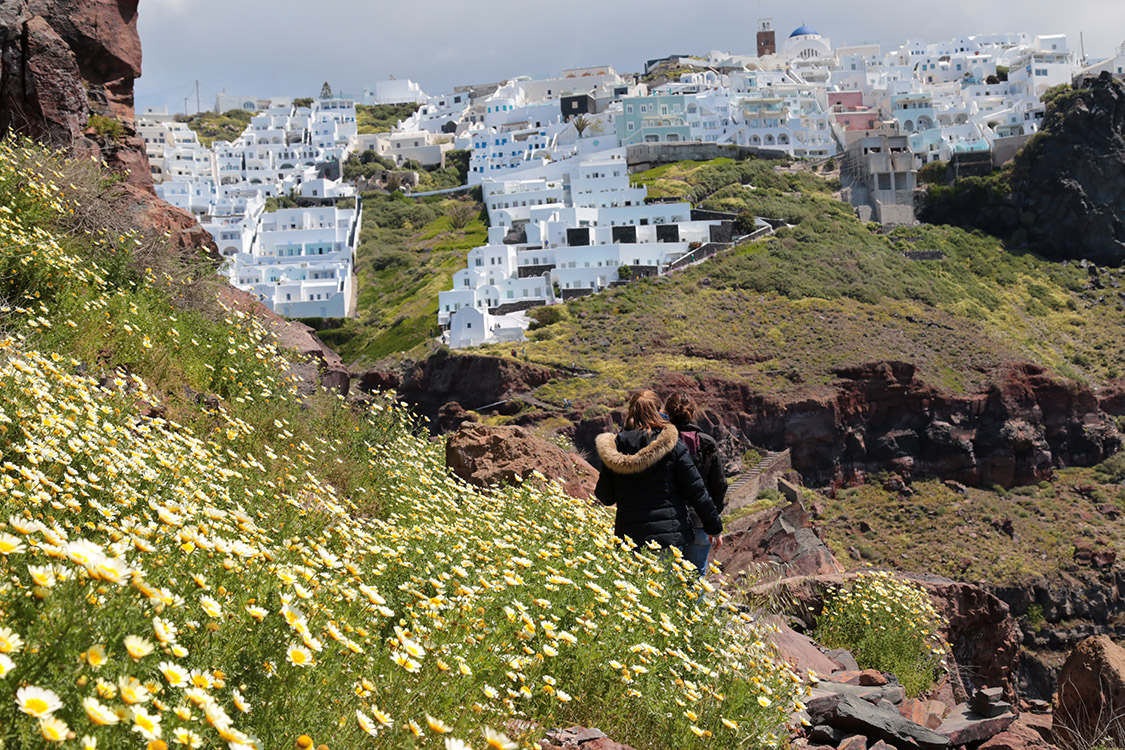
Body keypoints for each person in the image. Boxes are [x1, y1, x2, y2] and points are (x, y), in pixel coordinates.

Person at [594, 390, 723, 554]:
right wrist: (714, 528)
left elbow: (605, 496)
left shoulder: (616, 448)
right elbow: (697, 492)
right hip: (669, 538)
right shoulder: (672, 445)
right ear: (658, 412)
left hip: (630, 539)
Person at [665, 392, 728, 573]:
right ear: (693, 413)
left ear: (667, 413)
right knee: (694, 578)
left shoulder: (659, 441)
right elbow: (719, 485)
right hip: (700, 522)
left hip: (669, 523)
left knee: (666, 581)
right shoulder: (706, 442)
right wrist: (712, 518)